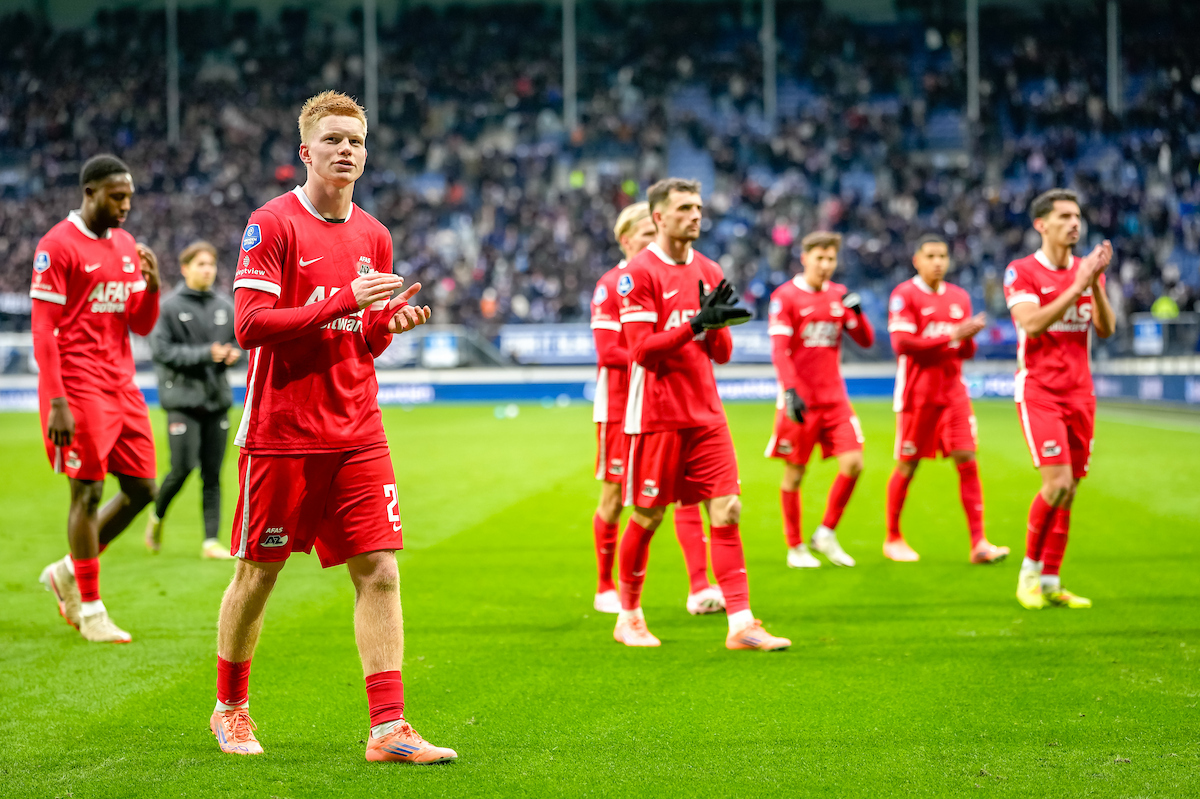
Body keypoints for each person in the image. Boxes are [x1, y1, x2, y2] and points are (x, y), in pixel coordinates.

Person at [210, 91, 455, 764]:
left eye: (356, 140)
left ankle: (389, 727)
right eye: (334, 139)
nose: (346, 149)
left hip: (357, 429)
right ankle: (229, 707)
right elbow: (250, 325)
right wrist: (347, 300)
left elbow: (357, 336)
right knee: (258, 573)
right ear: (306, 152)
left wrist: (384, 328)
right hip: (282, 433)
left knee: (379, 570)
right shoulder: (273, 225)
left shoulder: (374, 234)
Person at [615, 177, 790, 651]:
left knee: (728, 509)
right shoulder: (639, 273)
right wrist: (695, 323)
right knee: (648, 515)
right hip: (657, 414)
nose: (695, 215)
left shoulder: (709, 269)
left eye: (698, 207)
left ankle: (741, 623)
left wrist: (717, 324)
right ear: (659, 217)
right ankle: (628, 615)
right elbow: (641, 352)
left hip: (706, 413)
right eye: (684, 208)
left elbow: (724, 352)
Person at [32, 154, 162, 643]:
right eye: (116, 196)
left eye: (129, 196)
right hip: (77, 385)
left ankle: (67, 570)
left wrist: (151, 288)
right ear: (90, 193)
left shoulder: (127, 245)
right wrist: (57, 401)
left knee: (142, 490)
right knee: (85, 492)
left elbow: (140, 324)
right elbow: (43, 329)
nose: (126, 205)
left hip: (121, 383)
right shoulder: (57, 245)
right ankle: (90, 610)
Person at [590, 202, 723, 616]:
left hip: (667, 401)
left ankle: (700, 586)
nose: (654, 240)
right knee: (616, 497)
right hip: (620, 405)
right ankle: (605, 586)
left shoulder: (680, 274)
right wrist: (659, 345)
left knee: (685, 494)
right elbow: (611, 351)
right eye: (646, 234)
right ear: (627, 239)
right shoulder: (611, 285)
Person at [1004, 189, 1114, 610]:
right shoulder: (1023, 271)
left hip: (1080, 393)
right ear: (1041, 224)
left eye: (1078, 216)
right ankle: (1028, 574)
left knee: (1070, 491)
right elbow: (1030, 323)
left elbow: (1105, 328)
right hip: (1040, 391)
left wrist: (1094, 286)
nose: (1075, 223)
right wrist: (1078, 286)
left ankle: (1051, 581)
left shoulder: (1088, 272)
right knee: (1057, 484)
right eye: (1065, 216)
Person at [883, 235, 1008, 563]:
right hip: (917, 394)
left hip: (953, 392)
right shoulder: (904, 295)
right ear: (917, 260)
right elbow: (902, 344)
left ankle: (979, 542)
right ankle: (893, 537)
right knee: (908, 464)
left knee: (967, 458)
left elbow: (964, 352)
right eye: (931, 256)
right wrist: (951, 334)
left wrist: (968, 337)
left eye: (943, 256)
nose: (938, 261)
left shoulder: (959, 297)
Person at [764, 232, 873, 569]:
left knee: (854, 463)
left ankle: (825, 533)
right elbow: (780, 351)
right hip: (801, 400)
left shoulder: (840, 295)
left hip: (835, 399)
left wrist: (859, 312)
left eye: (831, 260)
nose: (826, 266)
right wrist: (790, 390)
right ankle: (795, 546)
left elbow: (865, 341)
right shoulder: (785, 297)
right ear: (805, 257)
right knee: (795, 475)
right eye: (819, 259)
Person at [145, 240, 240, 560]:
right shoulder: (168, 306)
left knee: (212, 473)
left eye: (211, 264)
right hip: (182, 402)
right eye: (200, 264)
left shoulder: (225, 306)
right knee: (182, 468)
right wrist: (206, 354)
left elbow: (238, 346)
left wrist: (232, 357)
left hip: (217, 400)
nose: (207, 270)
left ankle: (210, 542)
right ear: (185, 269)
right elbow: (161, 351)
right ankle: (157, 516)